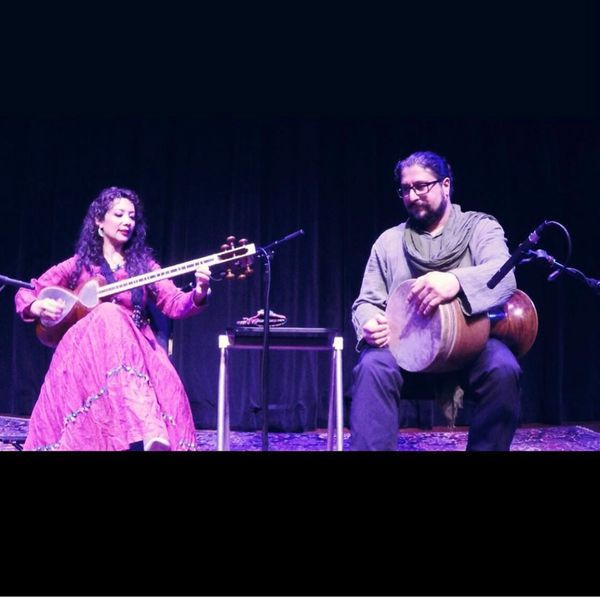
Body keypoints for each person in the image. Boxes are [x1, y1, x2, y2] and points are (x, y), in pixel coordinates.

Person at [15, 186, 212, 451]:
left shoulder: (145, 268)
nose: (127, 221)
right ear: (99, 221)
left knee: (114, 316)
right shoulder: (79, 265)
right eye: (119, 214)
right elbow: (29, 291)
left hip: (136, 349)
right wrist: (36, 306)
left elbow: (175, 303)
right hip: (86, 356)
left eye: (132, 216)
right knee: (108, 312)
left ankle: (150, 433)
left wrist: (200, 291)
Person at [350, 150, 522, 451]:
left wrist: (454, 281)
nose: (412, 195)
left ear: (445, 185)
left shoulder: (480, 228)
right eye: (405, 189)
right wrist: (368, 321)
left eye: (421, 186)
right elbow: (366, 301)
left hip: (468, 347)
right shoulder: (389, 241)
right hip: (405, 350)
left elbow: (504, 275)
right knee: (371, 366)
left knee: (503, 368)